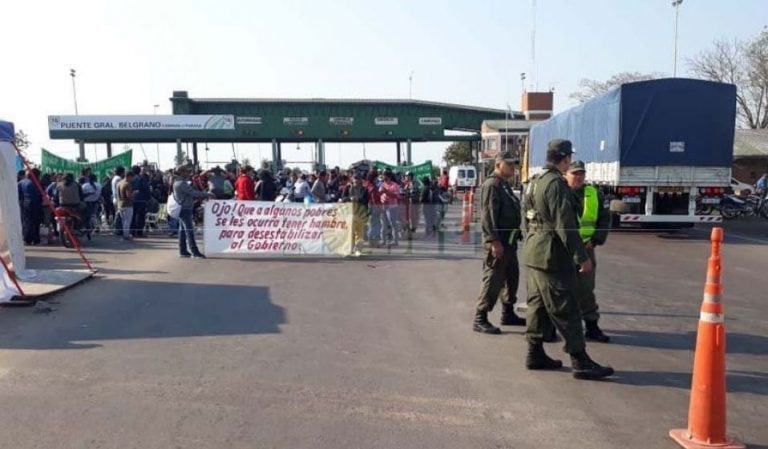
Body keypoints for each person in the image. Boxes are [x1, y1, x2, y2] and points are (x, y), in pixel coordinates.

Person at [522, 139, 613, 380]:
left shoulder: (535, 182)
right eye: (569, 159)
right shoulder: (556, 185)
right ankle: (580, 360)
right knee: (567, 308)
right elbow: (566, 225)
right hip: (552, 256)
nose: (570, 162)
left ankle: (535, 352)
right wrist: (581, 257)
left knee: (538, 307)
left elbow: (526, 217)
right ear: (564, 159)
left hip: (535, 252)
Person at [473, 152, 526, 334]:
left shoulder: (504, 185)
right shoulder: (492, 185)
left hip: (509, 242)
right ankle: (480, 318)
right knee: (493, 279)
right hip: (499, 242)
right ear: (498, 165)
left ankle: (508, 313)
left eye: (514, 164)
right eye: (509, 164)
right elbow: (488, 216)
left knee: (511, 279)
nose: (513, 168)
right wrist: (494, 241)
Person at [566, 161, 611, 343]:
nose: (578, 177)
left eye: (581, 174)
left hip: (586, 248)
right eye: (574, 173)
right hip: (564, 249)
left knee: (586, 290)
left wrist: (596, 240)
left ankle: (592, 327)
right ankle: (551, 327)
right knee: (559, 290)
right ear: (566, 174)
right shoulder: (560, 192)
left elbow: (604, 219)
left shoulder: (593, 193)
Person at [173, 166, 214, 258]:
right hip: (185, 209)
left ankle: (183, 251)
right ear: (182, 172)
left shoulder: (177, 182)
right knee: (189, 230)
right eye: (187, 172)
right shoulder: (181, 183)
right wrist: (207, 194)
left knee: (183, 230)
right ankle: (195, 252)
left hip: (183, 208)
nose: (188, 173)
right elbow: (193, 193)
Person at [342, 174, 369, 254]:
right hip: (350, 213)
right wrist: (350, 198)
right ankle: (350, 248)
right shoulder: (347, 188)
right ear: (352, 180)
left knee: (360, 232)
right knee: (350, 232)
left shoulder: (365, 190)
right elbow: (343, 198)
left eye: (358, 180)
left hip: (361, 213)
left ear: (361, 181)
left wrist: (358, 199)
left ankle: (358, 249)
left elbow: (366, 200)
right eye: (355, 180)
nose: (356, 182)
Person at [18, 168, 43, 245]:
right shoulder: (33, 184)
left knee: (26, 221)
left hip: (24, 204)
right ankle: (35, 239)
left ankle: (27, 238)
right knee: (35, 222)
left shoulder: (20, 182)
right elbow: (36, 196)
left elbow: (19, 195)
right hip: (34, 204)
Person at [379, 170, 401, 246]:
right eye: (382, 175)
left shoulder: (394, 185)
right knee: (383, 224)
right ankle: (383, 240)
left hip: (392, 207)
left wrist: (386, 192)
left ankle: (395, 241)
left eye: (384, 175)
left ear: (389, 177)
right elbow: (379, 194)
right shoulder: (382, 184)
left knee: (393, 224)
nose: (383, 177)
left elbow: (397, 196)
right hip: (383, 207)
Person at [130, 166, 151, 237]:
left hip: (132, 200)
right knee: (140, 216)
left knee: (133, 216)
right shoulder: (142, 179)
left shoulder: (131, 179)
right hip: (141, 200)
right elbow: (147, 189)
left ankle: (132, 232)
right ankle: (139, 232)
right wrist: (148, 199)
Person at [117, 171, 135, 241]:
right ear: (129, 176)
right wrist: (134, 193)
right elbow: (129, 196)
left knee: (123, 220)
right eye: (132, 177)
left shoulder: (119, 183)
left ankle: (125, 234)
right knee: (127, 220)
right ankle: (126, 235)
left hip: (120, 204)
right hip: (127, 204)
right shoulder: (127, 184)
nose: (132, 179)